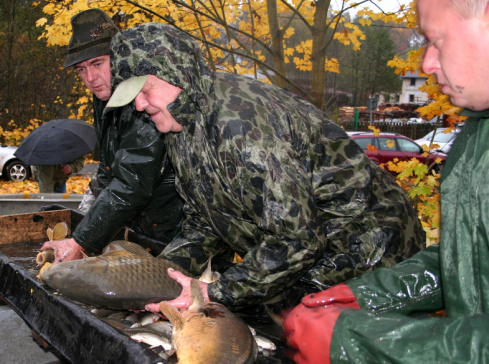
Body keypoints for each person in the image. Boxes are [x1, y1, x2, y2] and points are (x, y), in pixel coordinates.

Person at [105, 23, 426, 313]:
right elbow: (205, 219)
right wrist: (163, 279)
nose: (139, 106)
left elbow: (298, 239)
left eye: (144, 91)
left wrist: (215, 292)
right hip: (307, 257)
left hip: (371, 255)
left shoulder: (238, 125)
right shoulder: (182, 126)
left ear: (175, 72)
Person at [279, 0, 489, 364]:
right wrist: (368, 296)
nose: (427, 63)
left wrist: (356, 348)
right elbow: (469, 260)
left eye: (435, 40)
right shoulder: (476, 132)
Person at [40, 9, 184, 260]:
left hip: (177, 229)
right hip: (140, 223)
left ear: (119, 59)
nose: (90, 78)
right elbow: (108, 168)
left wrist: (81, 241)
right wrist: (88, 231)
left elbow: (131, 183)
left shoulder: (145, 97)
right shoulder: (103, 97)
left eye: (97, 64)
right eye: (81, 70)